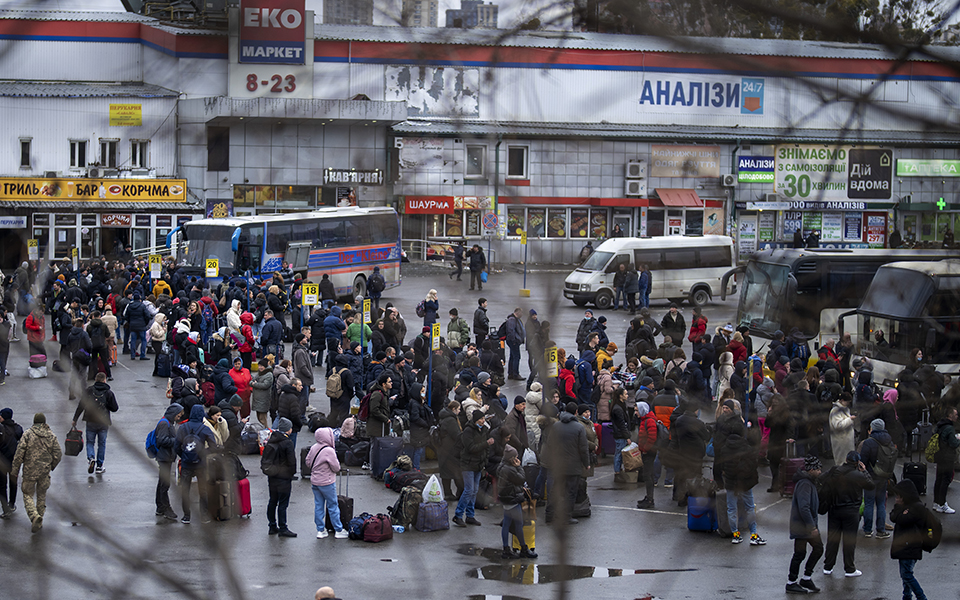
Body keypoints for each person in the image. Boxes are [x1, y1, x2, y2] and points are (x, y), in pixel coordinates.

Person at [821, 451, 875, 578]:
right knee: (849, 541)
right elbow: (871, 485)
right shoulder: (858, 475)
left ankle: (828, 566)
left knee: (832, 539)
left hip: (834, 508)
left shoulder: (835, 470)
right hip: (851, 511)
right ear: (857, 462)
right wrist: (864, 471)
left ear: (846, 459)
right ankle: (849, 568)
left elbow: (821, 479)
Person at [10, 413, 62, 533]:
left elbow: (19, 454)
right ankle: (40, 518)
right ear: (44, 422)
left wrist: (15, 470)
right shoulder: (51, 435)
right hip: (44, 472)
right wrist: (51, 466)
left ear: (34, 422)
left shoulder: (27, 434)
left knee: (27, 494)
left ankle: (34, 516)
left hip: (29, 471)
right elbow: (58, 454)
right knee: (41, 495)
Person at [543, 402, 590, 525]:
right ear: (576, 412)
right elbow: (583, 448)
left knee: (555, 490)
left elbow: (549, 443)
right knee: (570, 492)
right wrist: (586, 463)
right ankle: (567, 516)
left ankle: (549, 514)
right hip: (573, 466)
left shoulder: (556, 426)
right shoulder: (579, 427)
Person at [720, 430, 766, 546]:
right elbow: (753, 464)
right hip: (744, 483)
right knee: (749, 508)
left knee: (731, 509)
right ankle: (753, 535)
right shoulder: (746, 448)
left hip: (730, 483)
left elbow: (721, 466)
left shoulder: (724, 449)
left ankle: (735, 535)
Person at [786, 456, 824, 594]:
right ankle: (792, 582)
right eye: (818, 469)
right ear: (811, 469)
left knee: (816, 549)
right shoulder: (805, 484)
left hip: (804, 525)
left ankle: (805, 578)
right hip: (803, 526)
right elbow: (804, 507)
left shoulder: (809, 482)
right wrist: (812, 526)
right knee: (801, 553)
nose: (820, 472)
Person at [176, 404, 219, 524]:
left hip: (186, 464)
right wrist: (202, 454)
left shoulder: (183, 427)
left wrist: (185, 456)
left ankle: (186, 516)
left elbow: (176, 446)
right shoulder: (205, 428)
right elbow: (213, 447)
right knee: (203, 490)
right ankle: (204, 515)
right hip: (201, 464)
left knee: (185, 489)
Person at [889, 478, 930, 600]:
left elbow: (901, 519)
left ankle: (921, 597)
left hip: (910, 546)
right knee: (905, 574)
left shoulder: (916, 508)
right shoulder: (906, 507)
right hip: (905, 546)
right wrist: (899, 509)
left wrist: (899, 509)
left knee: (906, 575)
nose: (897, 498)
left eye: (899, 496)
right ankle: (907, 596)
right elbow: (893, 516)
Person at [306, 427, 349, 539]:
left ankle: (320, 530)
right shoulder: (329, 450)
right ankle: (338, 529)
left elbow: (308, 462)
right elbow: (336, 467)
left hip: (315, 481)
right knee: (332, 505)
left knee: (318, 505)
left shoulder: (314, 447)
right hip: (327, 482)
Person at [72, 372, 119, 475]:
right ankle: (99, 466)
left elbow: (81, 405)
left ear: (96, 380)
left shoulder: (89, 391)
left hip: (90, 420)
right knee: (101, 444)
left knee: (90, 442)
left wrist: (75, 419)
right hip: (103, 422)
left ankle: (91, 458)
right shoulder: (108, 393)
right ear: (104, 380)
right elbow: (115, 408)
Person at [453, 410, 493, 527]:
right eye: (480, 419)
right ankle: (458, 515)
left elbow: (486, 449)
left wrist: (485, 460)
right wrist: (486, 444)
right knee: (469, 490)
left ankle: (470, 516)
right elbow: (471, 448)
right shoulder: (468, 431)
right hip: (468, 465)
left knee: (475, 490)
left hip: (478, 465)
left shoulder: (484, 430)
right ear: (475, 420)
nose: (483, 421)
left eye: (483, 419)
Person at [497, 445, 536, 559]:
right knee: (519, 523)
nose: (517, 458)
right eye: (516, 457)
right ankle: (523, 548)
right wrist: (519, 467)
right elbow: (521, 479)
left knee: (506, 523)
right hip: (512, 499)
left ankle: (506, 549)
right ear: (511, 458)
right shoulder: (510, 469)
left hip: (505, 498)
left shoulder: (502, 466)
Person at [261, 417, 298, 538]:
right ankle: (283, 528)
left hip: (272, 476)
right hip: (284, 477)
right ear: (288, 429)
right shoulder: (287, 442)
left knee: (272, 501)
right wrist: (291, 474)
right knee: (283, 504)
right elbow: (291, 461)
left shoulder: (272, 440)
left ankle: (272, 526)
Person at [859, 418, 896, 537]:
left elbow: (863, 461)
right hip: (883, 477)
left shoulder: (869, 442)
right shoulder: (889, 441)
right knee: (881, 504)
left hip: (870, 476)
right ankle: (881, 530)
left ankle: (868, 530)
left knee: (869, 503)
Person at [152, 403, 183, 521]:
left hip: (165, 457)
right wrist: (176, 440)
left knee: (162, 482)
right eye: (178, 414)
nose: (179, 416)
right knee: (165, 484)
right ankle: (166, 508)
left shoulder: (167, 422)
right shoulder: (165, 424)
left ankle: (160, 507)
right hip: (164, 457)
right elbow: (162, 440)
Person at [932, 406, 960, 514]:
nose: (957, 416)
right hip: (947, 457)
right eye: (955, 414)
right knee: (946, 479)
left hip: (939, 456)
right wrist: (958, 439)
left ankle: (936, 502)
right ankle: (942, 504)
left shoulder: (940, 425)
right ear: (950, 415)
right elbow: (953, 443)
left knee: (939, 479)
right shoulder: (949, 428)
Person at [0, 408, 24, 518]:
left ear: (4, 417)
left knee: (2, 486)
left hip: (2, 462)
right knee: (13, 483)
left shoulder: (1, 428)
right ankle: (12, 504)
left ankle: (6, 510)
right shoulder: (18, 428)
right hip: (15, 461)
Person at [829, 393, 858, 466]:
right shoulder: (835, 411)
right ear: (842, 400)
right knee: (841, 461)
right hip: (840, 440)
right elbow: (838, 425)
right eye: (847, 402)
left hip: (845, 440)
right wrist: (850, 419)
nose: (848, 404)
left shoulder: (845, 409)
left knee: (847, 461)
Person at [505, 307, 525, 381]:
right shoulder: (512, 320)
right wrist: (514, 340)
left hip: (514, 341)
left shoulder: (515, 319)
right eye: (521, 313)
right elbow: (511, 331)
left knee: (512, 356)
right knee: (517, 356)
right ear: (517, 312)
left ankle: (511, 373)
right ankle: (515, 374)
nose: (522, 314)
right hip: (514, 341)